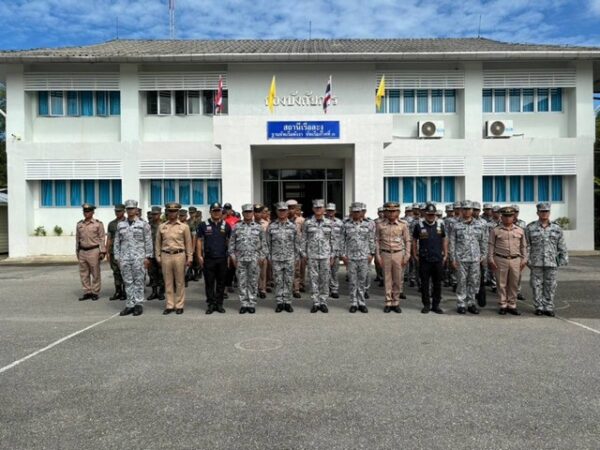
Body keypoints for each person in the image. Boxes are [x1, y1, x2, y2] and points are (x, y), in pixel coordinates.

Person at [525, 202, 569, 316]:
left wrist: (564, 258)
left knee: (551, 285)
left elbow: (561, 245)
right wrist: (526, 259)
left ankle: (548, 307)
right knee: (536, 284)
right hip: (536, 261)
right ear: (537, 212)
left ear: (549, 212)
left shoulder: (556, 228)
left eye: (546, 211)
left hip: (551, 261)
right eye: (542, 211)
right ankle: (538, 306)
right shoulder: (530, 227)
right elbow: (526, 245)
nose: (544, 213)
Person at [113, 200, 153, 317]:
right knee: (128, 282)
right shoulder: (121, 225)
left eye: (132, 208)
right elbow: (117, 242)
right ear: (126, 210)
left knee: (139, 281)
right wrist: (117, 257)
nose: (130, 211)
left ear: (136, 210)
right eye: (128, 209)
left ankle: (138, 304)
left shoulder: (143, 224)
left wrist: (148, 257)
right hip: (125, 258)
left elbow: (148, 241)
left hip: (139, 258)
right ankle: (130, 304)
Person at [488, 207, 528, 315]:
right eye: (505, 216)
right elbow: (491, 245)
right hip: (500, 259)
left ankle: (512, 305)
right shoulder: (495, 230)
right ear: (501, 217)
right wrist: (491, 259)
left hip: (515, 259)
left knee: (514, 283)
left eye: (510, 216)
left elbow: (524, 246)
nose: (507, 218)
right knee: (501, 283)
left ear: (513, 217)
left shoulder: (520, 230)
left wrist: (525, 259)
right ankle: (503, 305)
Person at [449, 200, 487, 315]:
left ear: (472, 210)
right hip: (461, 259)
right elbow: (452, 242)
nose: (467, 211)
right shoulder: (456, 225)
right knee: (461, 281)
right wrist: (453, 259)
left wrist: (483, 255)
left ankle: (471, 303)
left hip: (475, 259)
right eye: (464, 209)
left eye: (469, 209)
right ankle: (461, 304)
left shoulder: (480, 225)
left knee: (473, 281)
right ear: (461, 210)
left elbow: (484, 240)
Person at [156, 202, 193, 315]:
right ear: (167, 212)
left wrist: (189, 257)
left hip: (179, 255)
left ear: (178, 212)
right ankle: (170, 304)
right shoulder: (162, 226)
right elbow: (158, 242)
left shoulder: (184, 227)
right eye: (170, 211)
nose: (172, 213)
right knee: (168, 281)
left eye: (174, 211)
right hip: (166, 255)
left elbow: (188, 243)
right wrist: (157, 256)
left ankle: (179, 305)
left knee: (180, 281)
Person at [229, 204, 267, 314]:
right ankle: (244, 303)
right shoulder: (237, 227)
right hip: (240, 260)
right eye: (246, 212)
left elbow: (264, 244)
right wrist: (233, 258)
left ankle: (251, 303)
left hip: (254, 259)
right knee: (242, 282)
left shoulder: (258, 227)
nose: (248, 214)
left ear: (253, 213)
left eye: (250, 212)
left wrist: (262, 257)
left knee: (253, 282)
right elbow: (231, 245)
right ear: (243, 213)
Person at [300, 199, 336, 313]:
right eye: (316, 208)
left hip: (325, 255)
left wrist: (333, 255)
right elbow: (303, 239)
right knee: (313, 279)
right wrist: (304, 254)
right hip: (312, 255)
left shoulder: (330, 223)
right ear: (313, 209)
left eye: (320, 207)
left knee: (325, 279)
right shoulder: (307, 223)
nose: (318, 209)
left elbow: (333, 240)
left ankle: (323, 301)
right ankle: (315, 302)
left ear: (324, 209)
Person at [376, 201, 411, 313]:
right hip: (385, 253)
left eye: (394, 211)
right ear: (385, 212)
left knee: (397, 278)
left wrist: (407, 255)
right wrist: (377, 255)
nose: (391, 214)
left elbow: (407, 240)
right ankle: (388, 302)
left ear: (398, 212)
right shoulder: (380, 224)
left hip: (398, 253)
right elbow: (376, 240)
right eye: (388, 211)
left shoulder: (403, 224)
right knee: (387, 279)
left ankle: (396, 302)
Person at [412, 203, 447, 314]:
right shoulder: (419, 225)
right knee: (425, 283)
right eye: (428, 214)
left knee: (437, 283)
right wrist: (414, 254)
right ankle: (426, 304)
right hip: (424, 259)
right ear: (425, 214)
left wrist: (446, 253)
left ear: (435, 214)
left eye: (433, 214)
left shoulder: (440, 224)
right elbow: (414, 240)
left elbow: (444, 239)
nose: (431, 216)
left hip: (437, 258)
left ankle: (436, 305)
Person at [197, 202, 232, 314]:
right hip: (209, 259)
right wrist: (199, 255)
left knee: (221, 283)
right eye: (214, 211)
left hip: (222, 258)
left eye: (218, 210)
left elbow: (230, 241)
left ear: (221, 212)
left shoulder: (226, 225)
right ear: (210, 212)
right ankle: (211, 304)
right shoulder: (203, 225)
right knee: (209, 283)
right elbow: (198, 240)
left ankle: (219, 304)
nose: (216, 213)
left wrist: (229, 256)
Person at [342, 202, 376, 313]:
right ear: (351, 212)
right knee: (352, 281)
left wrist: (372, 254)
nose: (356, 213)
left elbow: (371, 239)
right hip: (351, 257)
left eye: (358, 211)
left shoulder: (368, 224)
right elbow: (342, 241)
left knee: (362, 281)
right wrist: (343, 255)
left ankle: (361, 302)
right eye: (354, 211)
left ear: (361, 212)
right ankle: (353, 303)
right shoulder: (346, 224)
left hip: (364, 257)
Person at [266, 202, 299, 312]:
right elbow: (267, 243)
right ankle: (280, 302)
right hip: (276, 259)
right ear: (277, 212)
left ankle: (288, 302)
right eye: (280, 210)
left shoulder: (293, 226)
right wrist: (269, 258)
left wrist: (296, 258)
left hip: (289, 258)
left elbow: (297, 243)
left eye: (284, 210)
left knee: (289, 281)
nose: (282, 212)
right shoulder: (271, 226)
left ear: (287, 212)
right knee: (278, 281)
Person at [75, 203, 106, 301]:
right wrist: (77, 251)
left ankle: (95, 292)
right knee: (84, 273)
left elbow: (102, 238)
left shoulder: (98, 224)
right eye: (85, 211)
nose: (86, 213)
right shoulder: (79, 224)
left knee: (95, 273)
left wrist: (102, 251)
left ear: (93, 212)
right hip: (82, 251)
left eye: (88, 211)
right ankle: (87, 292)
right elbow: (77, 239)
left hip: (94, 250)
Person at [106, 203, 126, 301]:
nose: (117, 213)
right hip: (114, 252)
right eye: (116, 211)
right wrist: (107, 252)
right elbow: (109, 238)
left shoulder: (128, 222)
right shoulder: (112, 224)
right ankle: (118, 291)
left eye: (119, 211)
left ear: (124, 211)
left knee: (125, 272)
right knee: (116, 272)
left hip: (125, 252)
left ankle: (125, 291)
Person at [287, 199, 306, 298]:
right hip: (285, 249)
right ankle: (287, 289)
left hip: (297, 249)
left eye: (293, 208)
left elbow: (304, 235)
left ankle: (296, 289)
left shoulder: (301, 220)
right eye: (289, 208)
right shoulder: (283, 220)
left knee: (297, 270)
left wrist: (303, 249)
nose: (291, 211)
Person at [147, 206, 165, 301]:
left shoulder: (163, 225)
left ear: (160, 214)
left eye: (156, 214)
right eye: (153, 214)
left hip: (162, 254)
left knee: (162, 273)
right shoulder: (147, 226)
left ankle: (161, 292)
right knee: (152, 273)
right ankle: (154, 292)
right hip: (150, 254)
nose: (154, 216)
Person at [325, 202, 343, 299]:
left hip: (335, 251)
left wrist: (341, 252)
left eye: (331, 210)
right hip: (324, 251)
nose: (330, 212)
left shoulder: (340, 223)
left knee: (334, 272)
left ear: (335, 211)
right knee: (324, 271)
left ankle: (334, 289)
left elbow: (342, 238)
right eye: (328, 210)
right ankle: (326, 289)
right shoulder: (322, 222)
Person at [223, 203, 240, 294]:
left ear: (231, 209)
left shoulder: (236, 220)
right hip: (223, 246)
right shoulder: (222, 220)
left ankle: (229, 284)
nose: (227, 211)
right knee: (224, 267)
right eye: (225, 209)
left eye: (228, 209)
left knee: (232, 266)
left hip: (234, 246)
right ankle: (224, 285)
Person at [254, 204, 270, 299]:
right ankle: (255, 289)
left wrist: (265, 254)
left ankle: (262, 289)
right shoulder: (250, 223)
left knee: (263, 273)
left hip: (263, 251)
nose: (257, 214)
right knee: (253, 272)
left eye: (259, 212)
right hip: (253, 253)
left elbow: (268, 240)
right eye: (256, 212)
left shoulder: (266, 224)